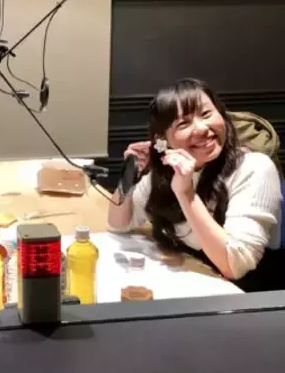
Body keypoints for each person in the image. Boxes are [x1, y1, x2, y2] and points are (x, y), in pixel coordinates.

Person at [107, 78, 284, 292]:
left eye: (207, 114)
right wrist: (129, 173)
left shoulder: (254, 168)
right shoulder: (167, 169)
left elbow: (234, 266)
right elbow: (118, 223)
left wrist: (186, 194)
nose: (201, 129)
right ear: (163, 140)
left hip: (243, 294)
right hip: (189, 280)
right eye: (183, 124)